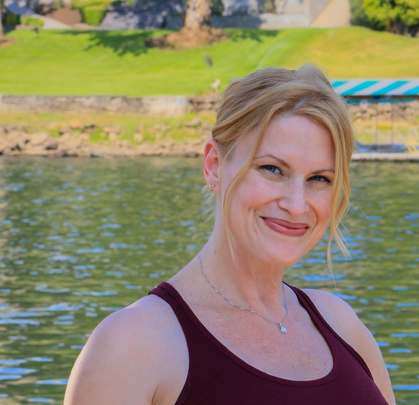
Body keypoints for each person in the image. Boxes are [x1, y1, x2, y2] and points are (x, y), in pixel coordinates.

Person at [64, 65, 396, 405]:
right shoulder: (133, 345)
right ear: (214, 165)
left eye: (319, 179)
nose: (297, 206)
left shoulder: (341, 324)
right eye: (272, 169)